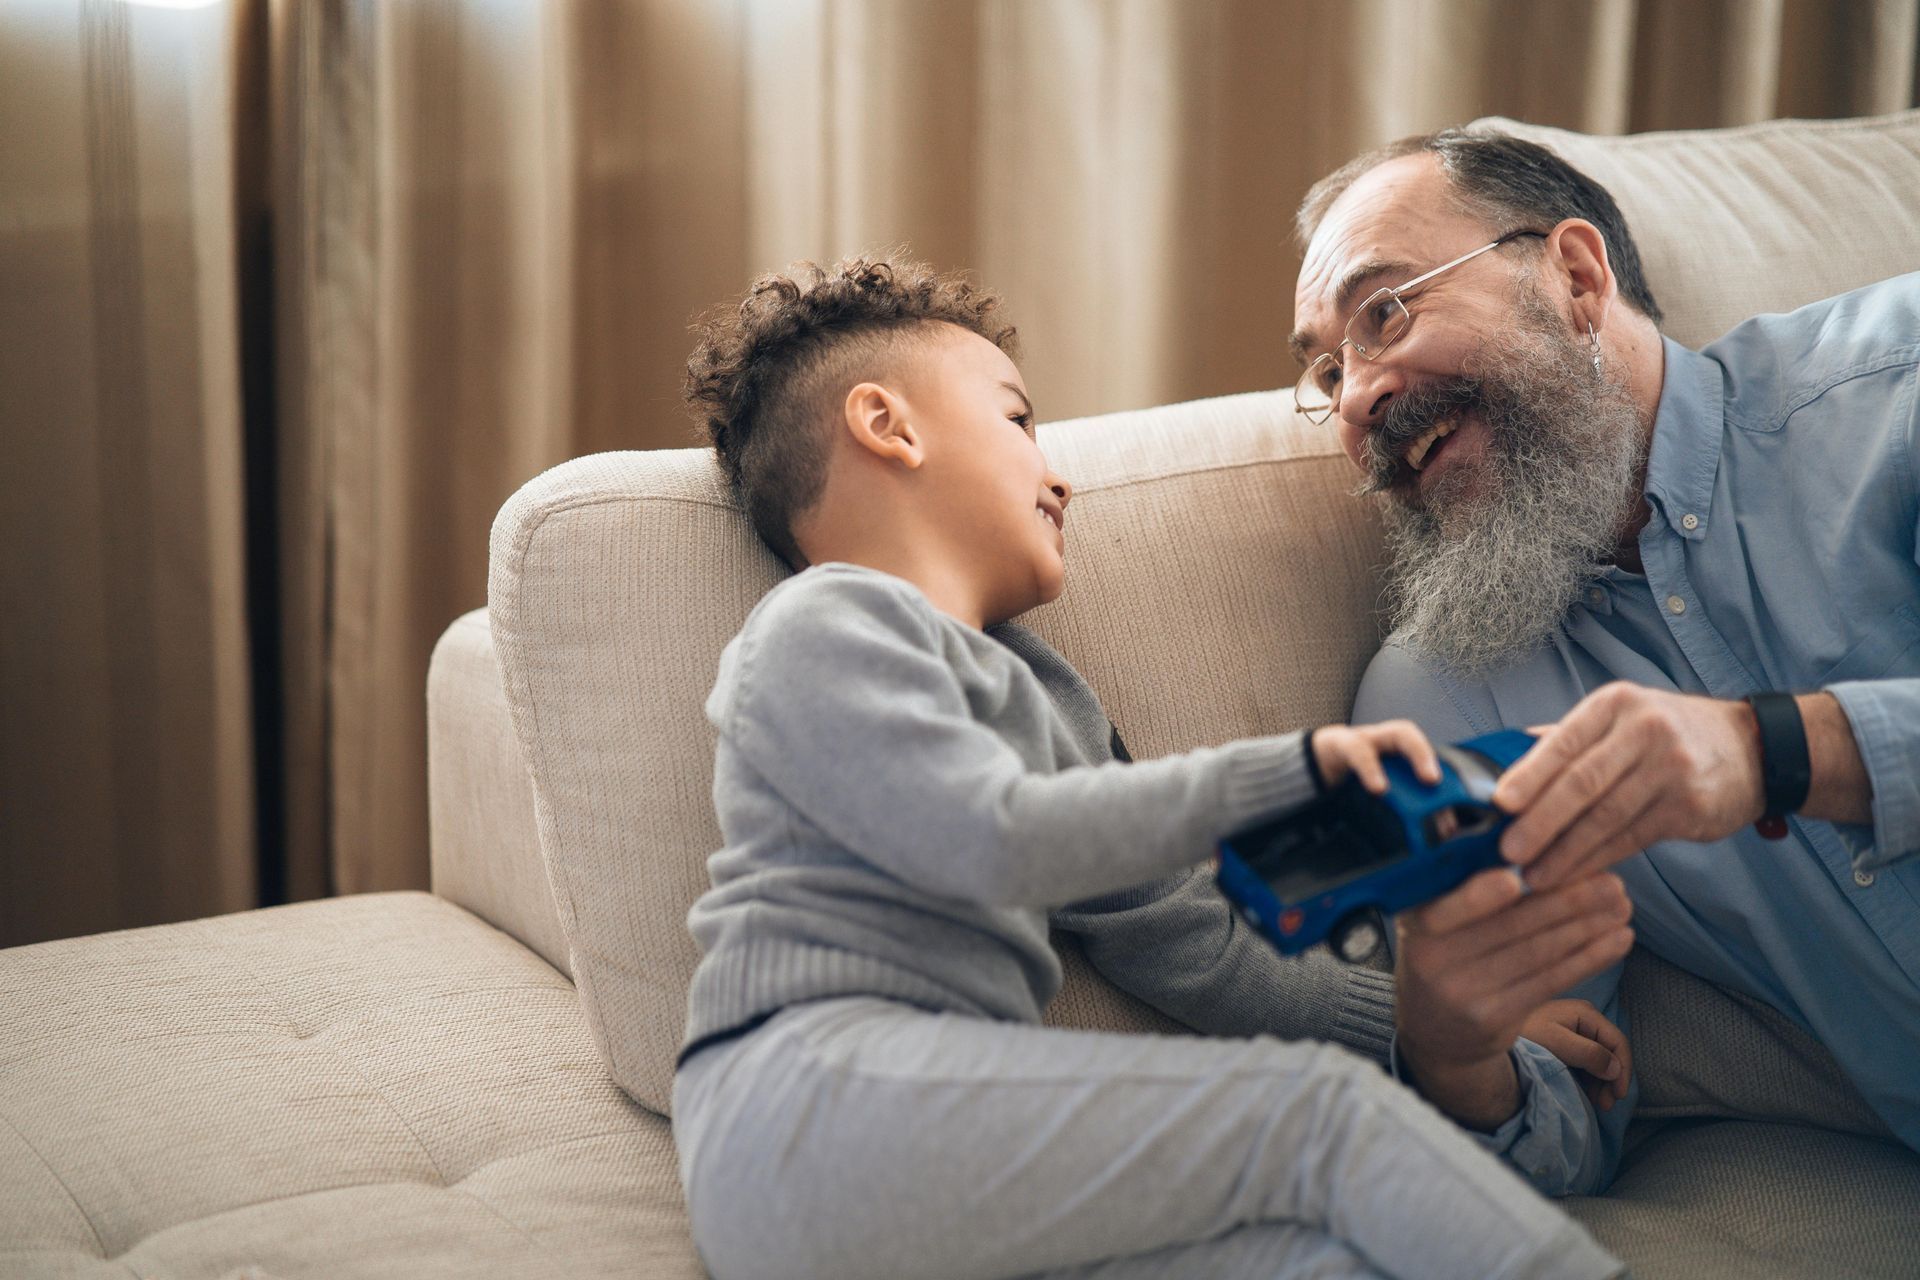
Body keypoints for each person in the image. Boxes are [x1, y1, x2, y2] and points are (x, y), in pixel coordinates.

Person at [670, 254, 1626, 1280]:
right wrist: (1292, 772)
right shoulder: (826, 623)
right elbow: (992, 837)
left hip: (952, 1150)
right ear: (887, 425)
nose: (1058, 471)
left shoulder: (1043, 695)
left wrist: (1423, 1020)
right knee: (1315, 1113)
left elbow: (1195, 936)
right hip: (809, 1105)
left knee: (1310, 1256)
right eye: (1018, 419)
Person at [1288, 126, 1920, 1196]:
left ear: (1576, 275)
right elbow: (1570, 1118)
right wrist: (1454, 1060)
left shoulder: (1894, 389)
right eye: (1326, 370)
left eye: (1385, 311)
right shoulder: (1442, 691)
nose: (1355, 400)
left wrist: (1776, 748)